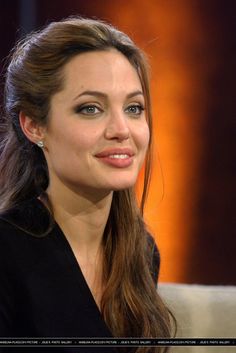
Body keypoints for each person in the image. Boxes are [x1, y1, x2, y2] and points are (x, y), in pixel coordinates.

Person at [0, 16, 174, 353]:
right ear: (35, 126)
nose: (121, 129)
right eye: (90, 108)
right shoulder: (6, 251)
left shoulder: (140, 252)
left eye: (134, 108)